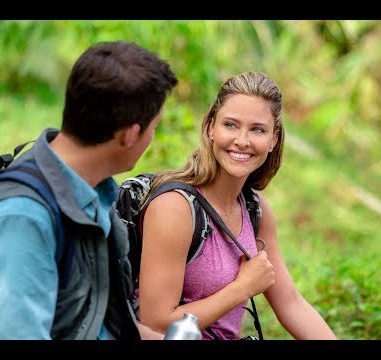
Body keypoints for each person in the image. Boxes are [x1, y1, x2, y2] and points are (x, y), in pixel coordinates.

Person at [0, 40, 178, 340]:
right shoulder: (24, 218)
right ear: (129, 134)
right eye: (154, 127)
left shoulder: (96, 192)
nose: (153, 136)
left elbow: (95, 323)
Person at [137, 71, 337, 340]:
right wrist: (241, 288)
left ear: (273, 139)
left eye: (257, 129)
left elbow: (291, 304)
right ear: (211, 127)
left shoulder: (255, 209)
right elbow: (157, 322)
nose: (242, 140)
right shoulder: (175, 207)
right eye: (230, 125)